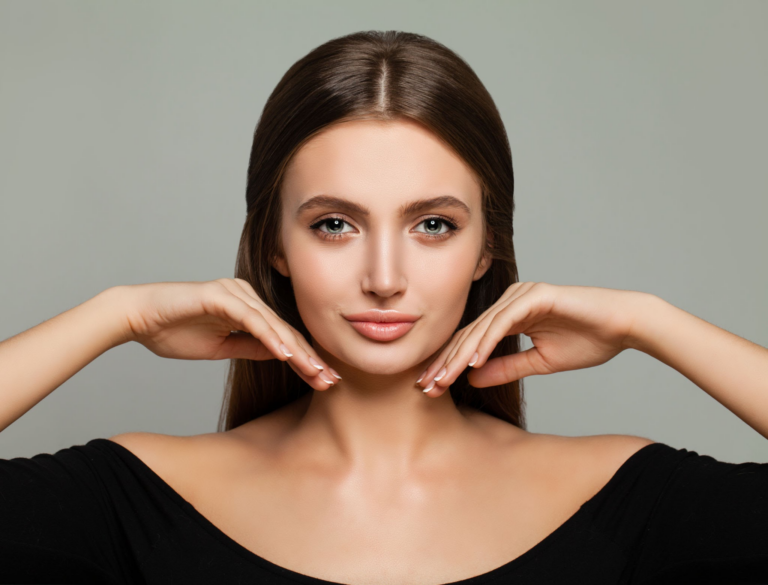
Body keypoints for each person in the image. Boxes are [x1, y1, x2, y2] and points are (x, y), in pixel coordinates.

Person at [1, 29, 767, 585]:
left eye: (433, 224)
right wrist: (115, 316)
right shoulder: (136, 498)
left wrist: (650, 323)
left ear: (487, 248)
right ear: (274, 244)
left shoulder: (623, 498)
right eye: (335, 224)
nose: (384, 276)